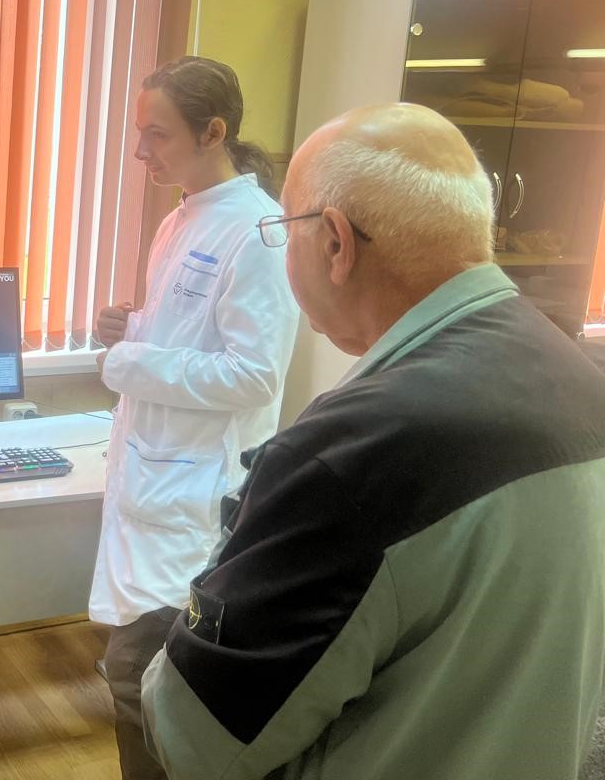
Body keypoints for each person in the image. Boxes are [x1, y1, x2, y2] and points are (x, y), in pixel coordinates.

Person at [142, 103, 605, 780]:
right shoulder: (578, 376)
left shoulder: (352, 457)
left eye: (284, 229)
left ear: (335, 243)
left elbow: (192, 738)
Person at [91, 56, 300, 780]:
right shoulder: (181, 217)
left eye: (158, 135)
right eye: (139, 133)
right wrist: (133, 326)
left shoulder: (259, 233)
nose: (141, 152)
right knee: (135, 684)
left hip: (192, 508)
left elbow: (254, 374)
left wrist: (127, 361)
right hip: (152, 485)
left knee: (141, 686)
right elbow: (189, 335)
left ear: (213, 132)